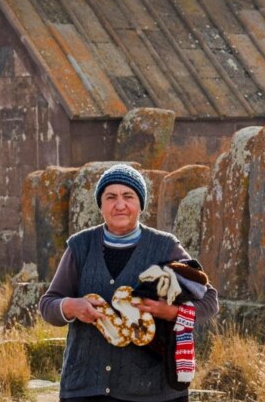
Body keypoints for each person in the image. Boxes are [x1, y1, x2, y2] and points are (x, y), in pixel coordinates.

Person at [39, 164, 219, 402]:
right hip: (85, 387)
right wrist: (70, 306)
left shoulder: (165, 247)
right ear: (101, 204)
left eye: (128, 196)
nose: (120, 204)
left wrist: (172, 312)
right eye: (110, 197)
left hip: (151, 391)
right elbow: (48, 305)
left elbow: (209, 299)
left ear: (140, 204)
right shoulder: (80, 246)